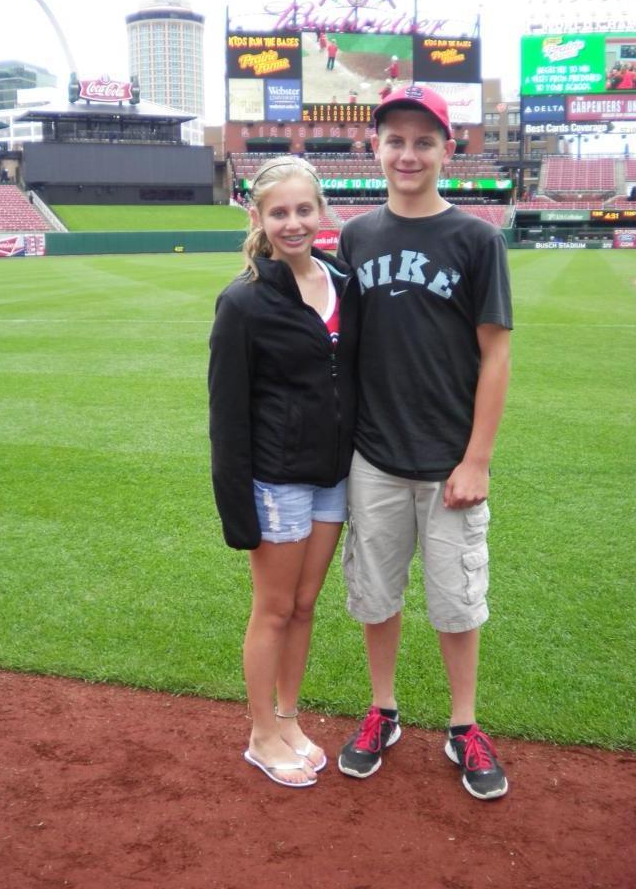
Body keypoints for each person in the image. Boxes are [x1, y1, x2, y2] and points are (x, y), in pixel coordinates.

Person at [334, 85, 513, 800]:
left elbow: (495, 355)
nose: (408, 154)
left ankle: (463, 725)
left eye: (423, 141)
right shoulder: (357, 236)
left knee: (456, 600)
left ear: (447, 150)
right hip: (374, 456)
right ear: (375, 149)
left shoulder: (476, 240)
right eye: (395, 140)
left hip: (449, 463)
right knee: (376, 596)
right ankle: (383, 711)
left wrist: (477, 459)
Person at [208, 156, 358, 788]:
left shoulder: (345, 283)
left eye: (303, 210)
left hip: (333, 476)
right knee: (272, 609)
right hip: (276, 480)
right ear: (259, 218)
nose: (293, 223)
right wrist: (237, 511)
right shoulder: (243, 302)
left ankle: (289, 718)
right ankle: (261, 731)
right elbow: (226, 415)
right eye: (279, 212)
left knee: (304, 606)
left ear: (321, 213)